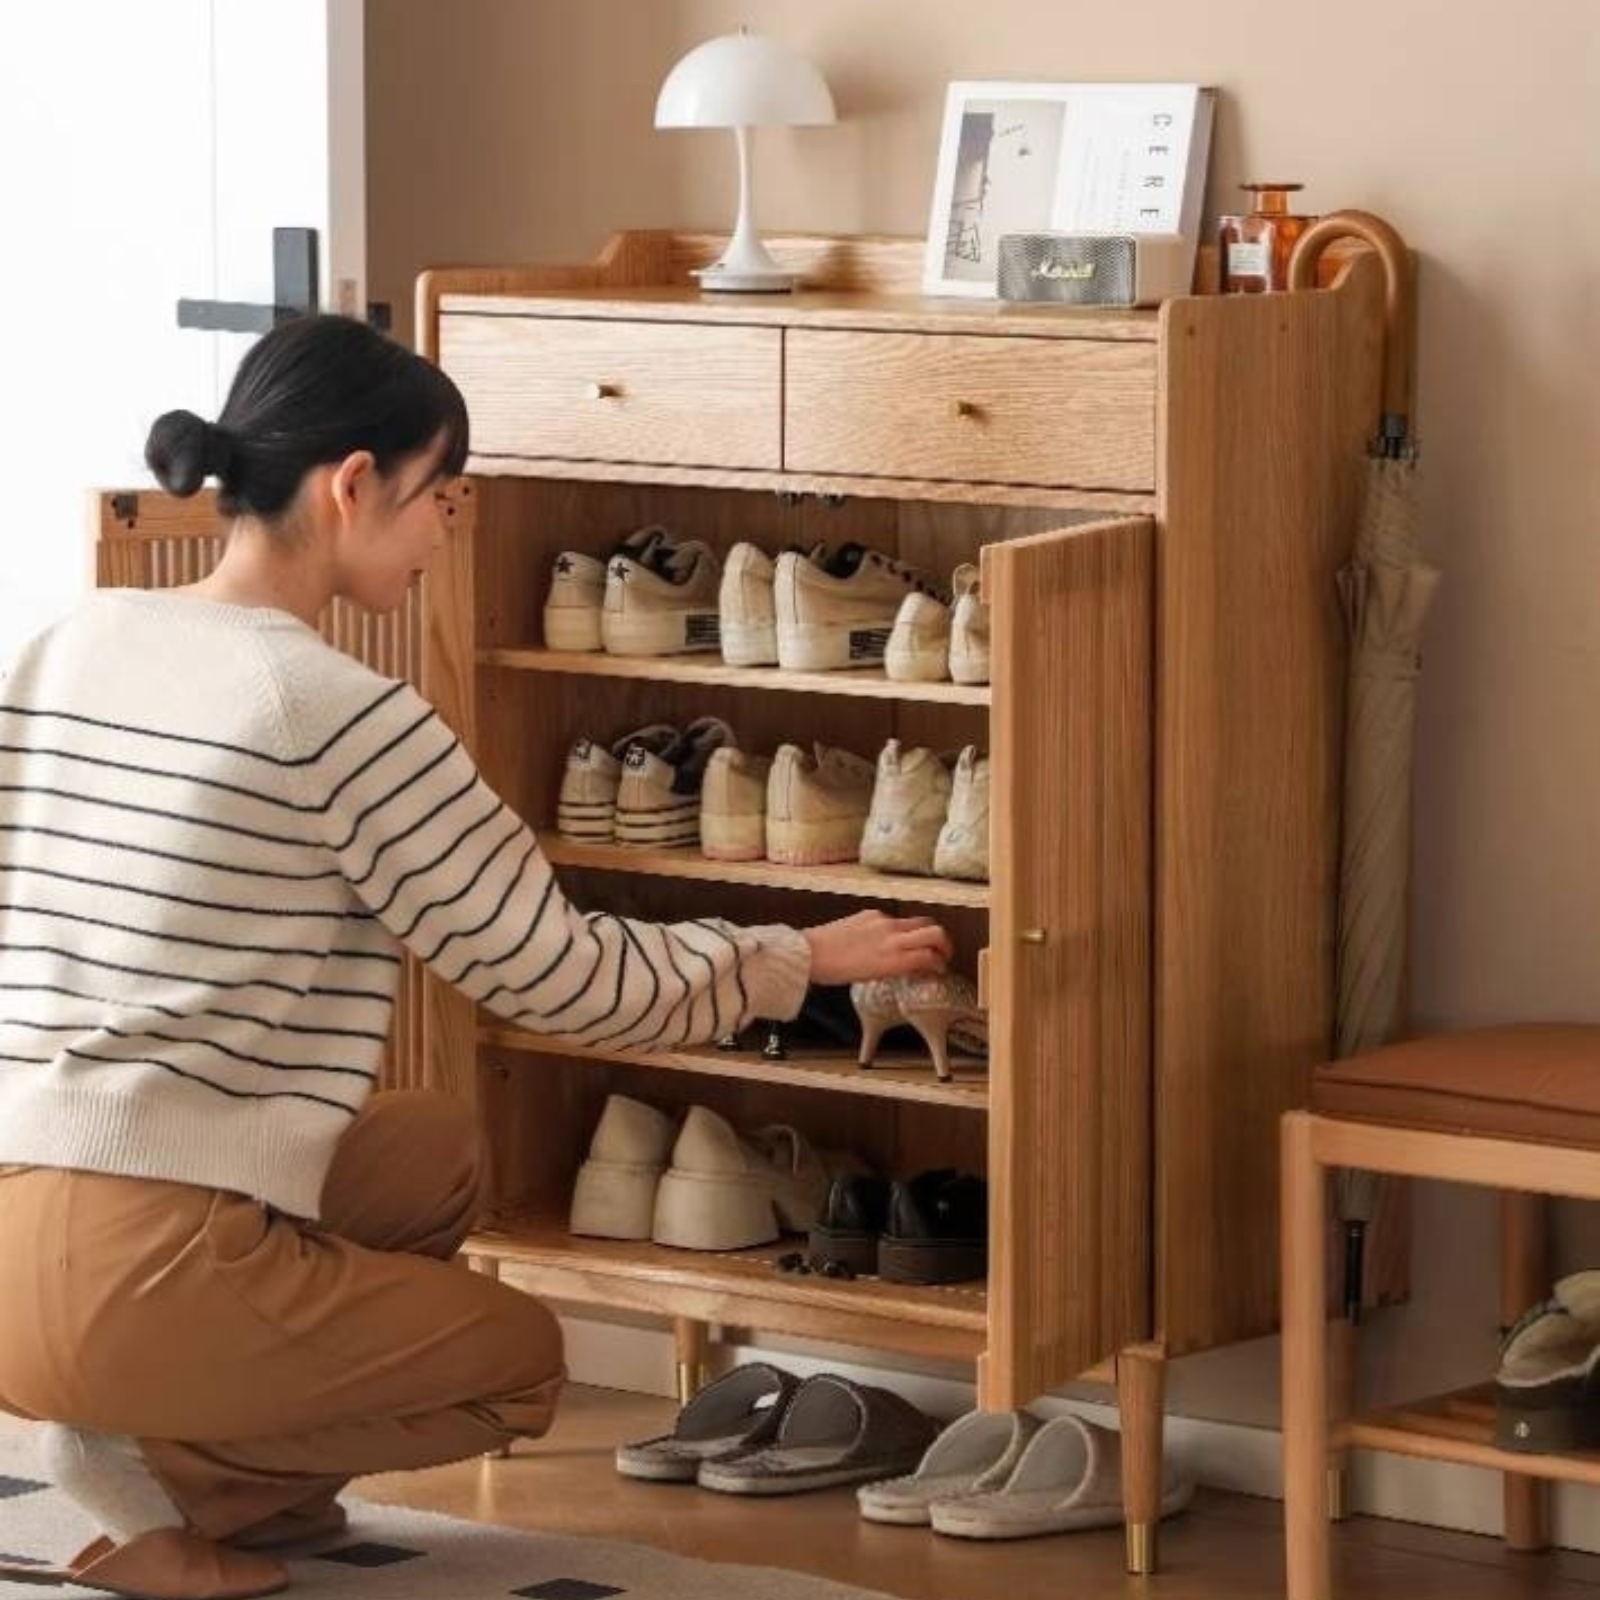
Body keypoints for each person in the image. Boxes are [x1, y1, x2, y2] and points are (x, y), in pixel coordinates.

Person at [0, 314, 951, 1600]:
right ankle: (156, 1485)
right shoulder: (331, 710)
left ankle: (166, 1449)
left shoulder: (73, 639)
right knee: (516, 1359)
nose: (453, 525)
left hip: (17, 1196)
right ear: (353, 484)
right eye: (443, 492)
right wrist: (800, 954)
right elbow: (555, 973)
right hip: (138, 1258)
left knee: (433, 1147)